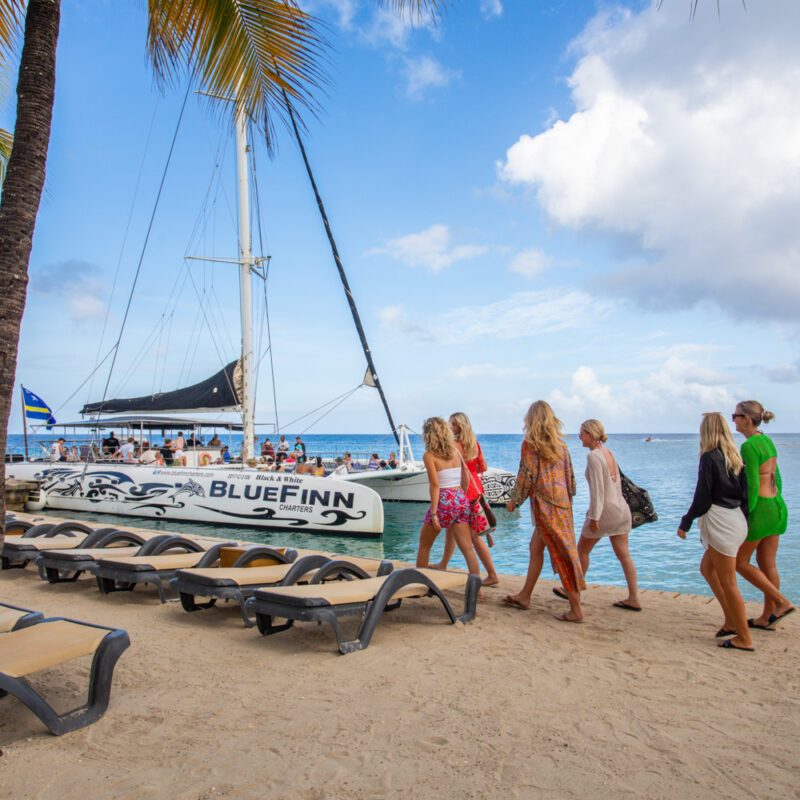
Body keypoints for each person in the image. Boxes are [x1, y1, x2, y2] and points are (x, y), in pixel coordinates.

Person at [503, 401, 585, 622]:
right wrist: (569, 499)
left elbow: (526, 475)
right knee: (537, 548)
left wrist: (515, 500)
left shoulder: (531, 445)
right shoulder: (562, 446)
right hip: (563, 504)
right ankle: (524, 595)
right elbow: (571, 478)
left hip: (545, 506)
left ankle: (576, 609)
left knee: (561, 554)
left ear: (531, 420)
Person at [677, 413, 753, 651]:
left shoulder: (709, 457)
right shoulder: (734, 456)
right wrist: (745, 522)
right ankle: (731, 622)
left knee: (729, 582)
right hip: (736, 519)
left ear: (706, 431)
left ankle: (744, 637)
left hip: (721, 521)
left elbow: (703, 496)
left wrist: (686, 522)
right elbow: (745, 495)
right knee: (707, 569)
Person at [553, 419, 640, 611]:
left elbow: (598, 491)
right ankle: (634, 597)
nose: (579, 437)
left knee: (582, 550)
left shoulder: (593, 456)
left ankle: (574, 590)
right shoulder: (608, 453)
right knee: (624, 555)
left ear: (590, 435)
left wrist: (594, 517)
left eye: (581, 434)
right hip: (621, 509)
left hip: (606, 512)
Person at [732, 400, 795, 630]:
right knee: (767, 564)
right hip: (777, 505)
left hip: (762, 509)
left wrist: (747, 513)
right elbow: (776, 478)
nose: (734, 421)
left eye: (736, 415)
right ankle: (768, 617)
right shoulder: (766, 441)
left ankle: (782, 602)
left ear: (746, 419)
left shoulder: (749, 446)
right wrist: (776, 502)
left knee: (740, 562)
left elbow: (752, 485)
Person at [433, 412, 499, 587]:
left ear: (460, 427)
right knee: (452, 531)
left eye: (452, 424)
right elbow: (482, 467)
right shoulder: (474, 444)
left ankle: (492, 574)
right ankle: (443, 564)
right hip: (477, 490)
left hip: (463, 492)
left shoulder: (454, 446)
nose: (449, 427)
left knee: (474, 537)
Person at [415, 417, 482, 587]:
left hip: (444, 500)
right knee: (467, 548)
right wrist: (463, 499)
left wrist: (435, 512)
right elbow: (465, 478)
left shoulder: (429, 456)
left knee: (424, 545)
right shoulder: (456, 450)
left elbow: (435, 485)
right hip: (460, 498)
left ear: (428, 435)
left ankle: (419, 585)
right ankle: (476, 588)